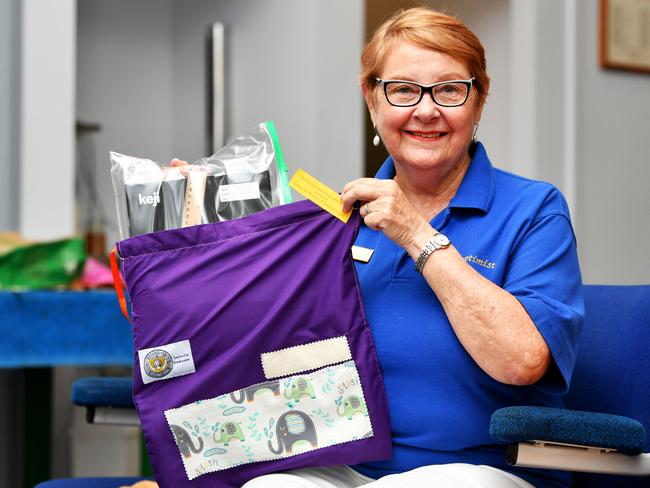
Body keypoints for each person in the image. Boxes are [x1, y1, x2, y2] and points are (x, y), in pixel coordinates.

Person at [242, 6, 583, 488]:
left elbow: (521, 361)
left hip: (484, 469)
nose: (426, 110)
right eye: (403, 89)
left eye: (449, 90)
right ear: (372, 99)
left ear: (479, 101)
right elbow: (263, 351)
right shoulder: (337, 220)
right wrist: (192, 248)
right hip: (345, 465)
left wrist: (417, 235)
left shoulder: (535, 210)